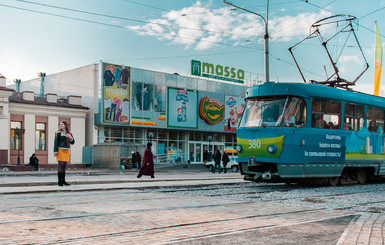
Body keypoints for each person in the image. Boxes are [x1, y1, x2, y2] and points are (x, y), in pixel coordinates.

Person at [54, 120, 75, 186]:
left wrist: (70, 138)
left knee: (64, 166)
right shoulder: (58, 133)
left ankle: (63, 181)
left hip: (67, 150)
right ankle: (59, 181)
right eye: (60, 124)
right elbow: (56, 142)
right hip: (60, 150)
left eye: (62, 124)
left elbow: (73, 142)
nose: (60, 125)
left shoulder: (69, 133)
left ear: (65, 125)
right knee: (61, 165)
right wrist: (55, 151)